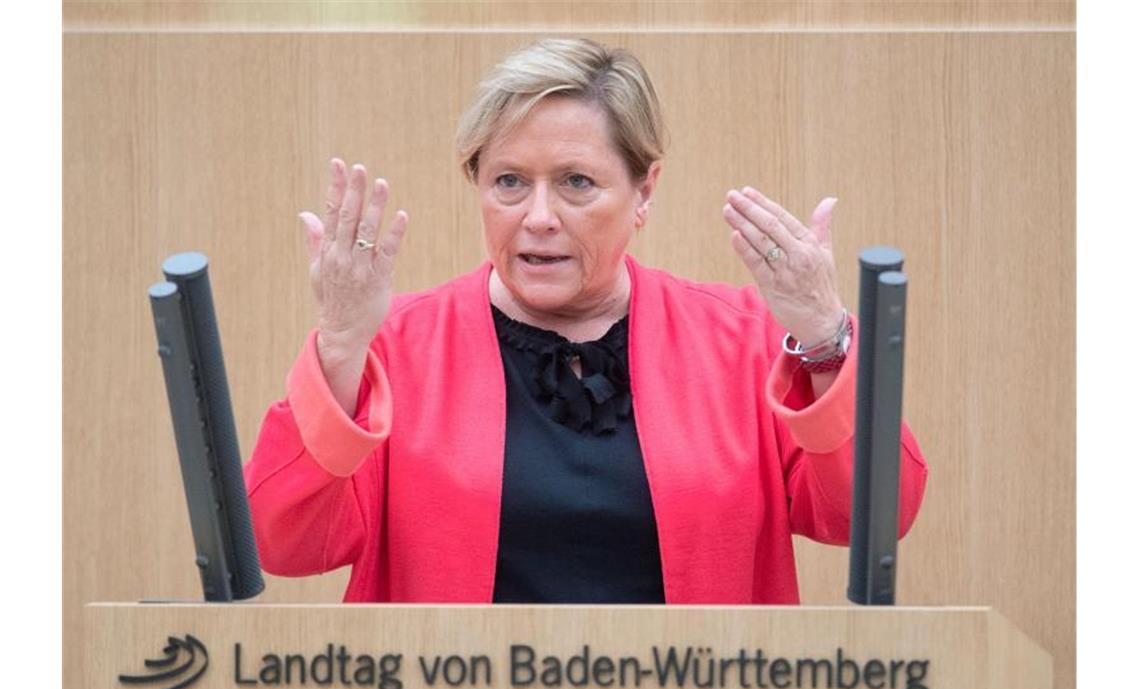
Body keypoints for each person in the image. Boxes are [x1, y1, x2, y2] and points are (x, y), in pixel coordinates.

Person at [243, 38, 927, 604]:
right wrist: (339, 345)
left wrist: (822, 339)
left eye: (576, 182)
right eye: (509, 182)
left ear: (643, 191)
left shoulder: (742, 339)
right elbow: (289, 543)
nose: (538, 216)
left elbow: (872, 517)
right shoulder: (397, 347)